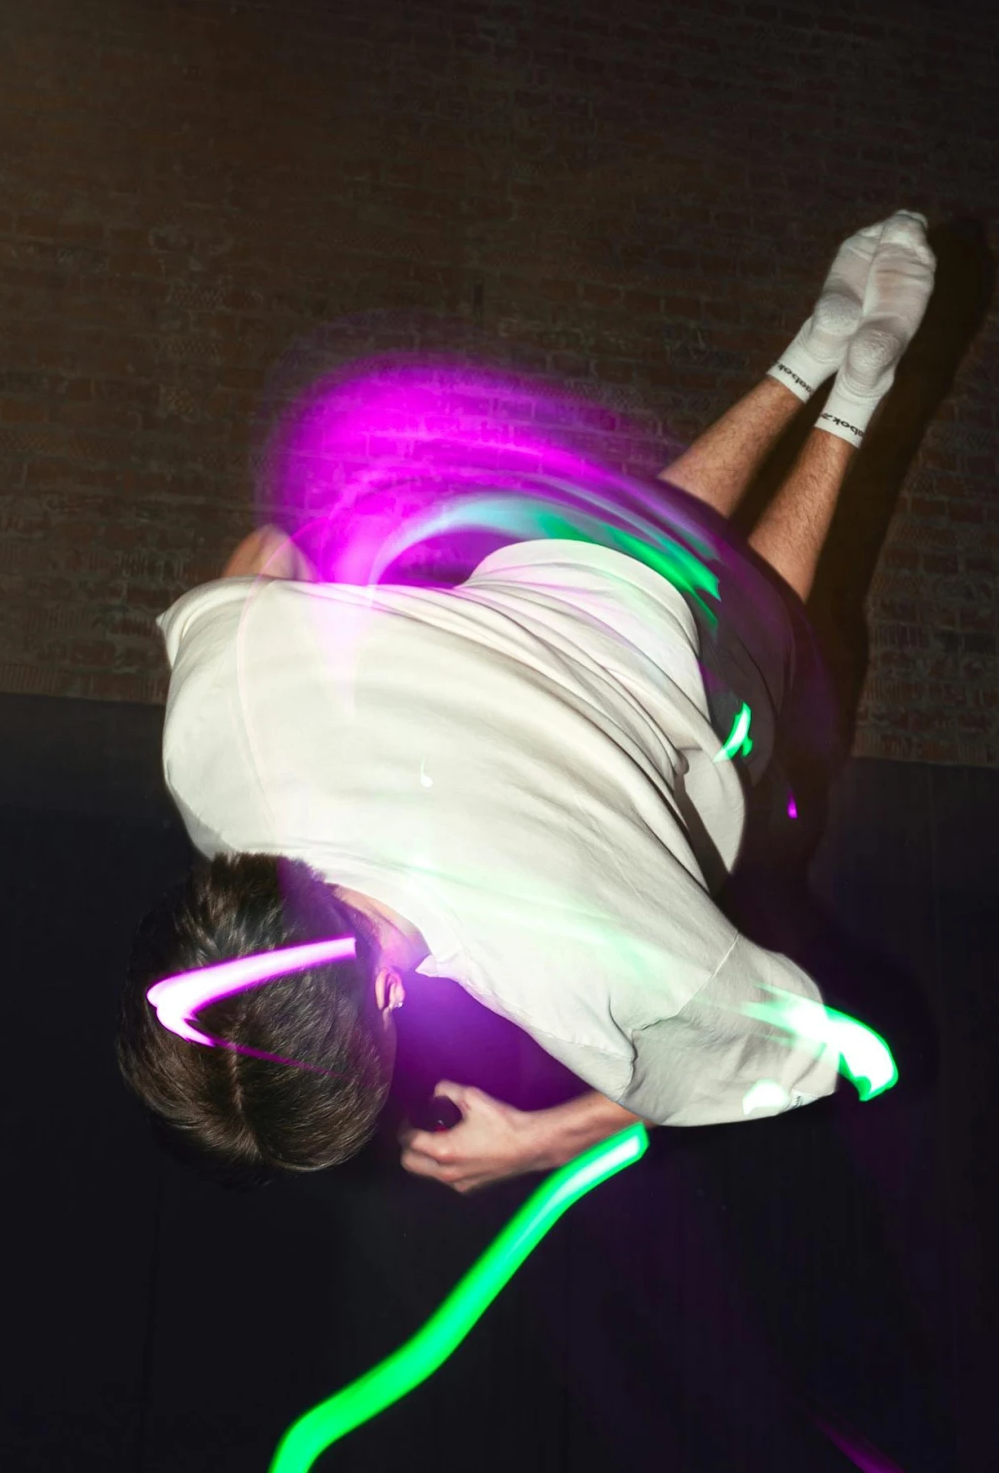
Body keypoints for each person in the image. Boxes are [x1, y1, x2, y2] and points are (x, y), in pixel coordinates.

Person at [117, 214, 936, 1191]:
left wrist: (540, 1140)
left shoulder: (570, 973)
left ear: (383, 995)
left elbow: (795, 1054)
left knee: (757, 597)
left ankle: (856, 395)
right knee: (655, 535)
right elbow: (266, 556)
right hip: (573, 563)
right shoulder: (212, 754)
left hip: (711, 680)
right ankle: (812, 347)